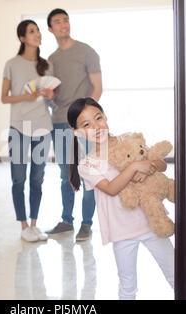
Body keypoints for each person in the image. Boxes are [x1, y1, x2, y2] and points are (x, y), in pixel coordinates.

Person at [68, 97, 174, 300]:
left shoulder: (128, 139)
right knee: (127, 286)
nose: (96, 126)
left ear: (105, 116)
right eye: (86, 125)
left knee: (175, 273)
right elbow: (111, 189)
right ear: (77, 132)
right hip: (122, 233)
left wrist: (149, 167)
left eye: (98, 118)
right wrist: (134, 167)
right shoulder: (87, 165)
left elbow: (161, 164)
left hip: (152, 223)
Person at [46, 8, 103, 241]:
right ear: (50, 29)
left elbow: (98, 88)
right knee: (65, 175)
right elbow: (52, 94)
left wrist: (86, 121)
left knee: (88, 173)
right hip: (59, 123)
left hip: (84, 126)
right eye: (58, 22)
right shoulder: (51, 60)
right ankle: (66, 221)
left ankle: (86, 224)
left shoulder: (86, 51)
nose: (63, 24)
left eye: (66, 20)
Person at [1, 20, 55, 242]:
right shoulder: (11, 64)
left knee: (37, 178)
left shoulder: (47, 65)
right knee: (18, 178)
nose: (38, 34)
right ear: (22, 38)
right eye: (32, 31)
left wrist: (51, 97)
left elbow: (52, 100)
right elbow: (4, 98)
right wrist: (26, 96)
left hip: (43, 126)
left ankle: (34, 225)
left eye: (38, 30)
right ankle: (23, 226)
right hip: (19, 127)